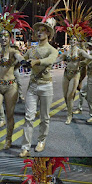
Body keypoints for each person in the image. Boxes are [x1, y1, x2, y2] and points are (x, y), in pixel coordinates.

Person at [0, 0, 31, 156]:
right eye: (1, 36)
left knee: (10, 115)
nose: (3, 38)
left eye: (5, 36)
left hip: (11, 87)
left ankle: (8, 139)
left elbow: (19, 57)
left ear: (9, 38)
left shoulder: (12, 51)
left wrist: (23, 61)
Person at [19, 11, 59, 157]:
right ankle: (25, 146)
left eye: (43, 31)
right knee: (28, 117)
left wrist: (36, 62)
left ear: (48, 33)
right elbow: (21, 60)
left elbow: (50, 60)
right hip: (32, 86)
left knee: (44, 117)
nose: (39, 33)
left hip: (46, 86)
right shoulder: (31, 49)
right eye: (37, 30)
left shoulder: (52, 50)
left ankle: (41, 141)